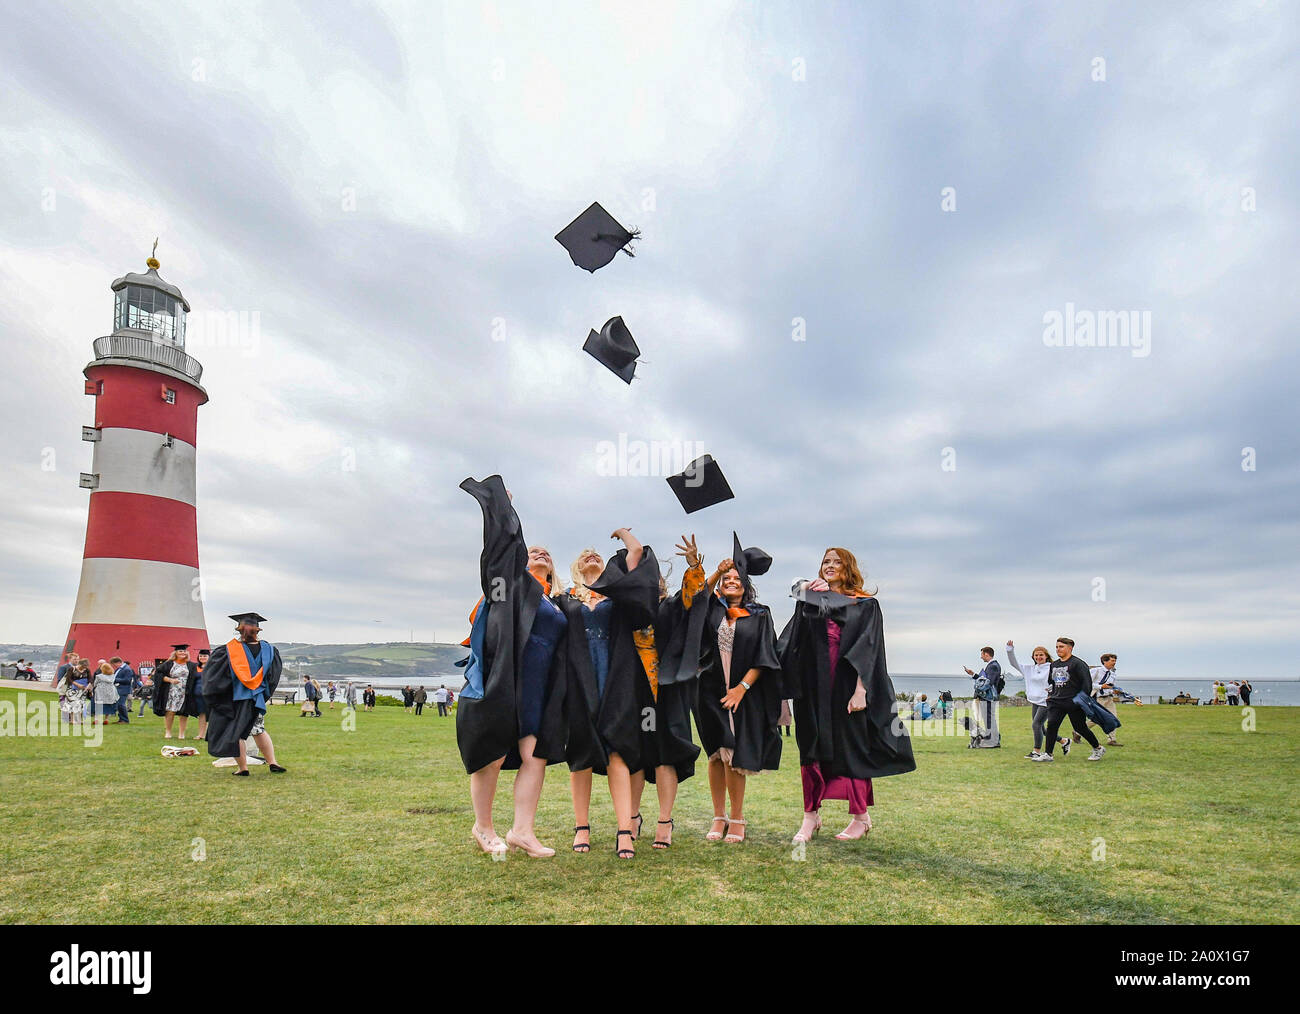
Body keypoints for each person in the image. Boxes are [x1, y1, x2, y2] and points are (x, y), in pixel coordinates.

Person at [456, 476, 569, 858]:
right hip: (505, 680)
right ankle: (483, 827)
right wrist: (505, 511)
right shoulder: (512, 587)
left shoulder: (557, 603)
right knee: (493, 752)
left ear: (553, 572)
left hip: (539, 689)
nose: (539, 553)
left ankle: (523, 831)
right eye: (532, 551)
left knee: (534, 755)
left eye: (546, 554)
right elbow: (502, 550)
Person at [780, 546, 915, 843]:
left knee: (850, 750)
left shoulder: (865, 605)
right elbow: (793, 641)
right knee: (810, 750)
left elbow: (869, 648)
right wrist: (804, 589)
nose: (830, 565)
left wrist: (860, 690)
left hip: (845, 689)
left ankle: (860, 817)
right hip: (812, 689)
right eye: (825, 562)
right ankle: (810, 818)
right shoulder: (812, 601)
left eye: (836, 562)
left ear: (848, 567)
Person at [559, 528, 659, 859]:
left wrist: (627, 536)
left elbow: (636, 562)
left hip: (618, 679)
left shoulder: (618, 598)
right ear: (575, 567)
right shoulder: (566, 599)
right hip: (577, 681)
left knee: (618, 751)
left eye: (597, 554)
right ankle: (582, 827)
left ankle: (625, 831)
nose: (591, 555)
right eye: (585, 554)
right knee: (581, 753)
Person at [694, 533, 783, 844]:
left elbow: (765, 655)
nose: (731, 581)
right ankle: (718, 817)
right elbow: (695, 597)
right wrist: (716, 571)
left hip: (741, 693)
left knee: (733, 753)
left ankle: (738, 817)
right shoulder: (713, 610)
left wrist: (742, 688)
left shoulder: (760, 614)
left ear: (746, 584)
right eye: (727, 578)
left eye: (736, 578)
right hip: (709, 690)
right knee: (716, 755)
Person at [627, 535, 707, 850]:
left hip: (668, 692)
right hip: (633, 693)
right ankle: (631, 816)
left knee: (664, 758)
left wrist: (694, 564)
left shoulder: (670, 606)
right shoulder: (628, 612)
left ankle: (664, 820)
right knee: (634, 756)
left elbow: (691, 595)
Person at [203, 612, 287, 774]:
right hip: (257, 698)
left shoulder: (228, 651)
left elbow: (215, 678)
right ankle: (272, 762)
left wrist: (219, 696)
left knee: (237, 733)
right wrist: (263, 693)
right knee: (258, 729)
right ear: (258, 630)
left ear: (239, 630)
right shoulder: (269, 650)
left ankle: (243, 768)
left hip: (236, 699)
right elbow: (272, 677)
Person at [1032, 637, 1104, 762]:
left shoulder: (1078, 664)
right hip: (1057, 701)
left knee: (1080, 727)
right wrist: (1051, 694)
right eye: (1056, 647)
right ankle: (1048, 754)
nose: (1058, 649)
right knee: (1052, 726)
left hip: (1074, 702)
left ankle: (1098, 748)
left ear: (1069, 648)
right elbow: (1052, 682)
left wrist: (1081, 700)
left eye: (1061, 647)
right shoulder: (1054, 665)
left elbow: (1087, 684)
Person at [1006, 640, 1055, 758]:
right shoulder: (1029, 669)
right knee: (1041, 728)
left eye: (1041, 655)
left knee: (1036, 725)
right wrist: (1010, 650)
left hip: (1046, 701)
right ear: (1033, 657)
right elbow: (1013, 663)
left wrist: (1051, 689)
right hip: (1035, 701)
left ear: (1046, 656)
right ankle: (1063, 741)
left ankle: (1036, 752)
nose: (1038, 657)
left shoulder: (1051, 667)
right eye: (1036, 655)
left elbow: (1058, 681)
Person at [154, 645, 200, 738]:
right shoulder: (168, 664)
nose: (183, 653)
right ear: (175, 653)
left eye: (184, 651)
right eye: (180, 651)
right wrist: (170, 680)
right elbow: (158, 675)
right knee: (170, 711)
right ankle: (168, 732)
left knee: (184, 713)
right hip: (172, 691)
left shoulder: (191, 665)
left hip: (185, 691)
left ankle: (181, 734)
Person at [963, 647, 1002, 738]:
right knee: (988, 717)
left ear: (986, 654)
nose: (981, 657)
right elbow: (983, 680)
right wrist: (973, 674)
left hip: (988, 696)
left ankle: (992, 738)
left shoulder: (993, 666)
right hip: (988, 696)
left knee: (989, 718)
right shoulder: (992, 665)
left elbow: (988, 682)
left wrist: (978, 688)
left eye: (982, 655)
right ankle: (993, 737)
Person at [1089, 653, 1123, 746]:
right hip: (1097, 698)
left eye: (1115, 661)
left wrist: (1114, 691)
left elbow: (1109, 687)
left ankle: (1112, 740)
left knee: (1113, 718)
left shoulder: (1112, 674)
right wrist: (1100, 686)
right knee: (1095, 720)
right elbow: (1087, 683)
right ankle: (1078, 732)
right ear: (1104, 661)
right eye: (1112, 660)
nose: (1114, 663)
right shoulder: (1096, 671)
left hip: (1108, 699)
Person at [111, 656, 136, 724]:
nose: (114, 666)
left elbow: (128, 680)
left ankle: (125, 720)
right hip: (119, 688)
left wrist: (115, 680)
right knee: (119, 705)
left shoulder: (127, 669)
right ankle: (121, 719)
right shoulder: (120, 669)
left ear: (118, 662)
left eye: (114, 664)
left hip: (123, 689)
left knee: (121, 704)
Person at [192, 648, 210, 741]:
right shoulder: (196, 667)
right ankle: (201, 734)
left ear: (209, 657)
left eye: (205, 656)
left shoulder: (212, 667)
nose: (202, 657)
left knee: (212, 715)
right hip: (198, 695)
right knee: (202, 715)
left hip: (209, 695)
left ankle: (212, 735)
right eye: (201, 656)